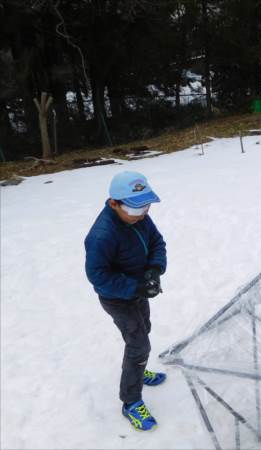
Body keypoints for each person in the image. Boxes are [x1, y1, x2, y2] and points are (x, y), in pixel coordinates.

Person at [84, 171, 167, 431]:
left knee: (145, 330)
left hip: (138, 290)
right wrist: (135, 286)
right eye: (135, 208)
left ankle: (138, 372)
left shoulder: (140, 219)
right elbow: (98, 276)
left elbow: (157, 242)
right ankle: (130, 400)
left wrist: (154, 270)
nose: (142, 213)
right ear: (114, 204)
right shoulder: (101, 235)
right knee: (138, 344)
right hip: (117, 298)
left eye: (146, 206)